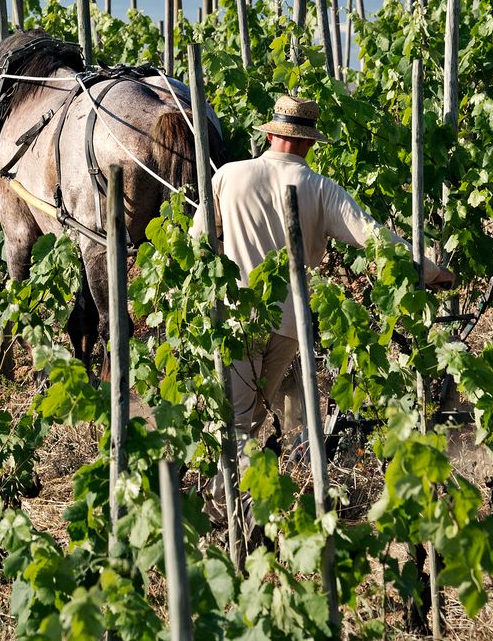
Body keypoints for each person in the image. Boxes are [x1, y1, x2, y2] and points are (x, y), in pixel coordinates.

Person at [194, 94, 453, 453]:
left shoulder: (228, 176)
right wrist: (430, 270)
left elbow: (199, 243)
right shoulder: (320, 188)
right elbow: (374, 236)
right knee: (250, 420)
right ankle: (234, 502)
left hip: (236, 317)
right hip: (288, 325)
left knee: (231, 424)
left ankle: (225, 504)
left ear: (270, 135)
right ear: (309, 142)